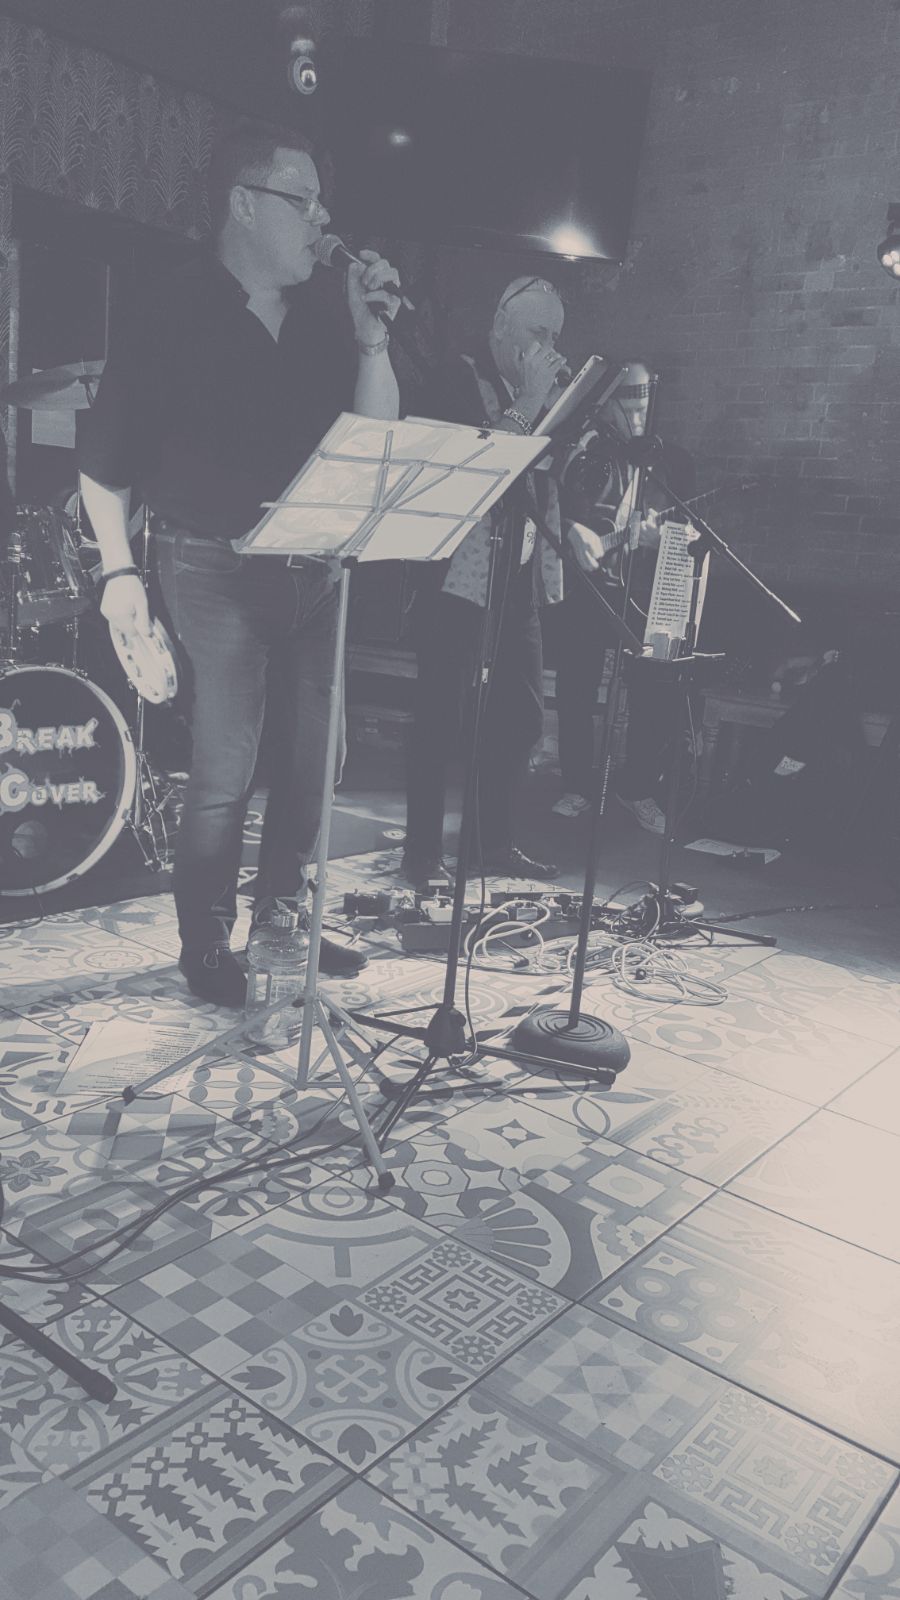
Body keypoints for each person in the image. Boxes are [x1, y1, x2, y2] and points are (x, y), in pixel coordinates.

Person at [79, 121, 401, 1005]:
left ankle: (285, 916)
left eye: (322, 203)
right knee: (226, 767)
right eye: (304, 201)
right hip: (210, 566)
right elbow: (103, 461)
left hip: (315, 569)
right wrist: (118, 576)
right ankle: (206, 939)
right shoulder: (170, 308)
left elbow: (375, 442)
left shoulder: (328, 318)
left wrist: (372, 342)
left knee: (314, 760)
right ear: (245, 206)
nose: (322, 219)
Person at [402, 276, 570, 888]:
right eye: (538, 331)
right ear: (500, 327)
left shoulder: (541, 393)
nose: (548, 346)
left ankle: (488, 843)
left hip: (516, 575)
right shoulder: (455, 380)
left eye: (556, 334)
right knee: (440, 718)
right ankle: (422, 853)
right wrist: (530, 402)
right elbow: (474, 472)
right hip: (455, 576)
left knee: (520, 717)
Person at [548, 363, 696, 831]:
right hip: (589, 588)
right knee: (576, 687)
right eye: (626, 405)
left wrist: (665, 538)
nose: (636, 415)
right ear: (607, 404)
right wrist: (577, 531)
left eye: (643, 404)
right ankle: (576, 784)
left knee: (653, 691)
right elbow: (558, 512)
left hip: (645, 592)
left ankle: (637, 789)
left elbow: (690, 534)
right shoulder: (588, 455)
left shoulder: (673, 463)